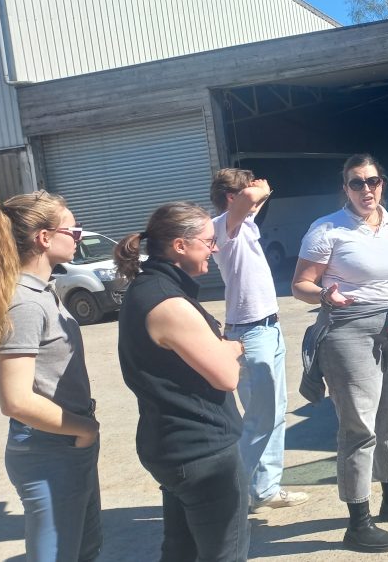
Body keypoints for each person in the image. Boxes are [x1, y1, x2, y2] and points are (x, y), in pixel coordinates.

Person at [291, 154, 388, 554]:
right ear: (345, 188)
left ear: (382, 183)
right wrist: (325, 293)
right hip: (349, 329)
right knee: (359, 426)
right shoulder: (327, 229)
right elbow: (300, 283)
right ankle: (358, 522)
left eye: (372, 181)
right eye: (356, 183)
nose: (365, 189)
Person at [115, 202, 248, 562]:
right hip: (202, 450)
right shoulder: (167, 303)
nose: (215, 248)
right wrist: (232, 347)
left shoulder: (146, 289)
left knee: (180, 550)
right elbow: (225, 377)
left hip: (174, 447)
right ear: (179, 246)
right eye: (208, 241)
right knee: (225, 553)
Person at [0, 191, 102, 561]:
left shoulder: (43, 291)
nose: (79, 237)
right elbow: (16, 400)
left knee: (83, 551)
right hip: (50, 448)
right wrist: (83, 430)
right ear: (44, 237)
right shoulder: (23, 302)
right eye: (73, 230)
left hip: (65, 442)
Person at [209, 168, 308, 514]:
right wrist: (263, 187)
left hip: (268, 328)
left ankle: (265, 488)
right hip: (250, 333)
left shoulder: (245, 226)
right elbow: (252, 198)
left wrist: (255, 196)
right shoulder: (223, 226)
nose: (255, 193)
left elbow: (251, 203)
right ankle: (231, 494)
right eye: (246, 189)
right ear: (231, 198)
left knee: (274, 413)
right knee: (259, 418)